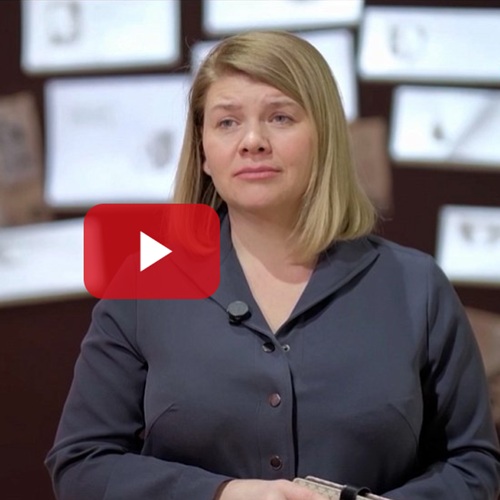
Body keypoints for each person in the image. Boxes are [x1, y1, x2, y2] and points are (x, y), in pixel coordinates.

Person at [45, 30, 500, 500]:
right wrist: (223, 494)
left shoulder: (416, 286)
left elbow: (473, 466)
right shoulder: (145, 284)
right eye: (227, 122)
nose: (253, 141)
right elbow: (82, 463)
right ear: (203, 152)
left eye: (280, 117)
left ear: (324, 138)